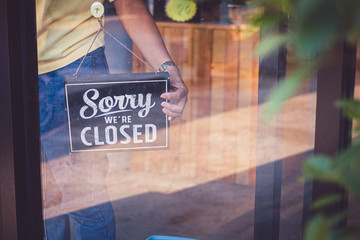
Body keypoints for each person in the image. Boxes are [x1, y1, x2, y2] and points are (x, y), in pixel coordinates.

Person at [37, 0, 188, 239]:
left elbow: (128, 4)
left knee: (84, 198)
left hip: (74, 58)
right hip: (14, 63)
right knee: (41, 199)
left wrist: (167, 68)